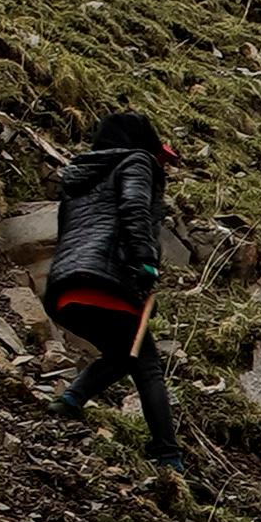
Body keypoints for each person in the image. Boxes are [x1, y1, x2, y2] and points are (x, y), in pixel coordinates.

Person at [44, 113, 187, 470]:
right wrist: (145, 261)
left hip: (66, 288)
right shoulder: (135, 160)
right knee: (149, 365)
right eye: (158, 154)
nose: (160, 164)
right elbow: (134, 208)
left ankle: (72, 399)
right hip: (109, 281)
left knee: (124, 355)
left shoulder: (80, 175)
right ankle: (168, 455)